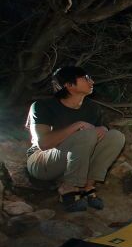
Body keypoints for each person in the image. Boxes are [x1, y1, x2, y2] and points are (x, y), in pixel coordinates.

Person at [26, 66, 126, 212]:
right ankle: (69, 188)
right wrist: (77, 126)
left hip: (75, 162)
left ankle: (88, 186)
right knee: (85, 134)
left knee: (116, 136)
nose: (91, 81)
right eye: (86, 78)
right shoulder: (42, 106)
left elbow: (99, 136)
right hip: (42, 162)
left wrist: (103, 129)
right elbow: (44, 143)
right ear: (69, 85)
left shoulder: (92, 108)